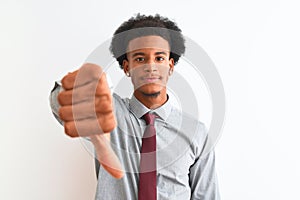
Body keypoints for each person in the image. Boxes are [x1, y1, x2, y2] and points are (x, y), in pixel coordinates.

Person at [50, 14, 220, 200]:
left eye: (159, 58)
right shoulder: (109, 112)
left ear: (170, 66)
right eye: (140, 59)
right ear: (126, 67)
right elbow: (61, 103)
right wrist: (82, 85)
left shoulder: (195, 132)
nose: (150, 66)